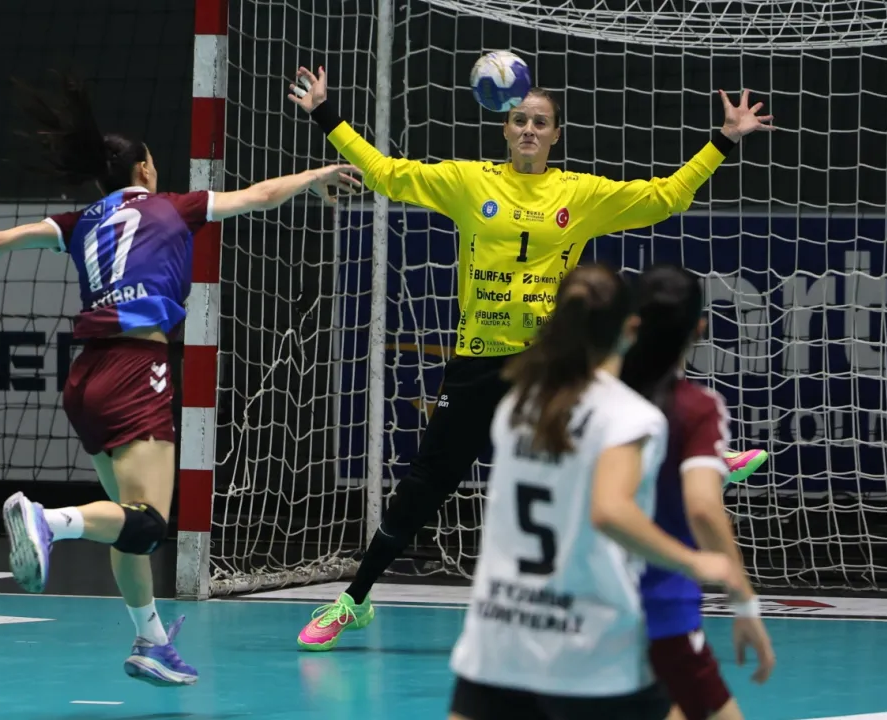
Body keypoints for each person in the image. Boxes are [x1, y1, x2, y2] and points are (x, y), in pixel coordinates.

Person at [288, 64, 772, 650]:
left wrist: (724, 139)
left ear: (555, 134)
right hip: (479, 361)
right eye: (520, 120)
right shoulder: (469, 182)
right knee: (425, 486)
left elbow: (666, 196)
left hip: (546, 363)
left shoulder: (579, 194)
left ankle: (703, 462)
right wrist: (326, 114)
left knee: (608, 444)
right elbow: (387, 174)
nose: (528, 130)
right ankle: (354, 600)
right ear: (504, 126)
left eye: (540, 123)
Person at [0, 71, 361, 686]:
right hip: (137, 369)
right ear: (146, 169)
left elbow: (0, 238)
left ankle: (150, 641)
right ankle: (47, 521)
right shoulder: (173, 207)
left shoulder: (82, 220)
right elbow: (260, 195)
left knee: (128, 524)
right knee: (150, 522)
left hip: (85, 379)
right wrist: (318, 175)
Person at [448, 264, 748, 720]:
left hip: (499, 634)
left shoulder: (518, 404)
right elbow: (609, 511)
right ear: (630, 329)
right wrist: (695, 561)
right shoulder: (629, 416)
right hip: (588, 642)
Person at [621, 266, 776, 720]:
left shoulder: (586, 400)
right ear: (700, 328)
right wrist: (744, 603)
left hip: (581, 604)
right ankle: (717, 466)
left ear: (631, 323)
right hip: (660, 604)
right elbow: (704, 510)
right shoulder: (695, 408)